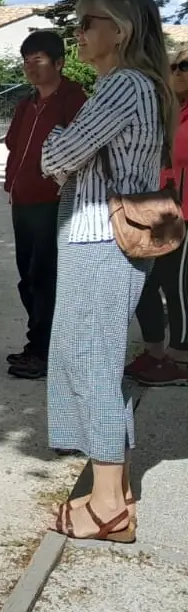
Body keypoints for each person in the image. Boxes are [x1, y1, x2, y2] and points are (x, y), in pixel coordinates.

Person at [41, 0, 171, 543]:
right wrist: (67, 146)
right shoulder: (137, 86)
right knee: (89, 357)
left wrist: (57, 143)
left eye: (87, 23)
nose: (78, 33)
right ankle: (106, 491)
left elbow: (58, 158)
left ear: (119, 30)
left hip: (102, 239)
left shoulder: (123, 85)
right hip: (106, 237)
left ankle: (110, 505)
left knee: (91, 360)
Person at [3, 31, 88, 380]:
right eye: (26, 60)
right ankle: (38, 342)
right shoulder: (27, 103)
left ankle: (44, 350)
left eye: (37, 59)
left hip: (52, 203)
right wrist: (11, 184)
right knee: (28, 276)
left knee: (45, 277)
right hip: (22, 201)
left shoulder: (73, 100)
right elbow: (13, 144)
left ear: (59, 62)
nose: (30, 67)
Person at [129, 45, 188, 386]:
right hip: (160, 209)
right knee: (146, 281)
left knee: (177, 286)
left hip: (185, 212)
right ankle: (156, 352)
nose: (178, 72)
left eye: (186, 66)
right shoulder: (168, 112)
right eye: (174, 66)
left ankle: (180, 358)